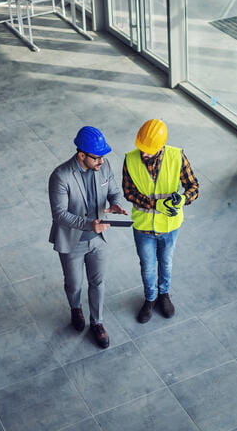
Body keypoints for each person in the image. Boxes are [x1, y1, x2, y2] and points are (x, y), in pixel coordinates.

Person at [49, 126, 128, 348]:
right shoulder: (60, 176)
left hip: (99, 240)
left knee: (98, 281)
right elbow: (59, 214)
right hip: (73, 241)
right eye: (96, 157)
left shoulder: (103, 166)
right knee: (74, 284)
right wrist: (88, 224)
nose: (101, 162)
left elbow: (113, 190)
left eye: (103, 156)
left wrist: (115, 204)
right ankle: (75, 308)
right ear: (81, 155)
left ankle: (97, 322)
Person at [123, 119, 199, 324]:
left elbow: (193, 186)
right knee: (147, 266)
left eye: (149, 151)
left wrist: (183, 199)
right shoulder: (130, 159)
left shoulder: (176, 156)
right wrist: (154, 204)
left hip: (170, 226)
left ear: (161, 146)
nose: (144, 154)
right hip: (143, 226)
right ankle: (150, 298)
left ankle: (164, 295)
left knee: (165, 262)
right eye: (141, 149)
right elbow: (128, 192)